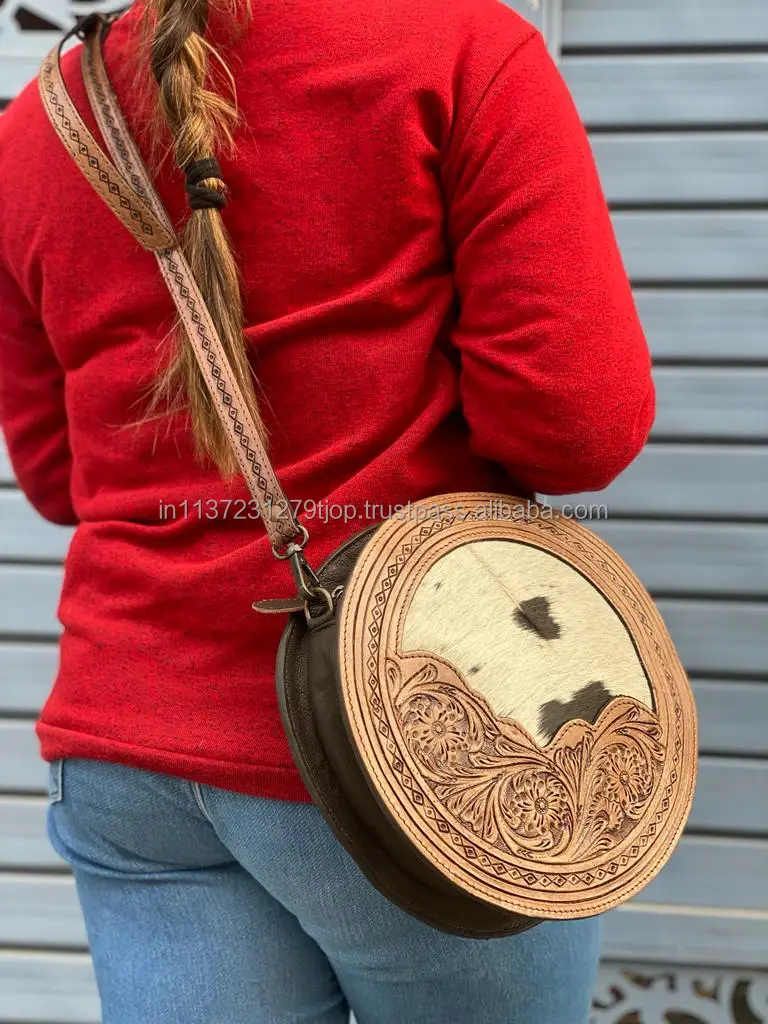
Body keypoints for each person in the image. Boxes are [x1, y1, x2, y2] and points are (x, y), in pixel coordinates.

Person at [0, 0, 655, 1021]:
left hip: (130, 755)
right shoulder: (460, 50)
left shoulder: (42, 122)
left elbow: (53, 479)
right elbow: (578, 428)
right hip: (421, 748)